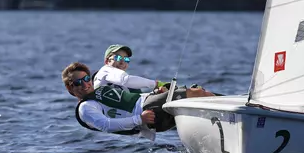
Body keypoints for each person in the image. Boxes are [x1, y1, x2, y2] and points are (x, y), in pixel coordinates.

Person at [62, 62, 215, 141]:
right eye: (77, 83)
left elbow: (129, 97)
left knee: (200, 94)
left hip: (150, 106)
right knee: (198, 93)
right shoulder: (86, 108)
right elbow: (106, 125)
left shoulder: (101, 91)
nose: (84, 84)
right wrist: (139, 119)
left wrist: (155, 91)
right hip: (148, 111)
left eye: (86, 79)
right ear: (70, 89)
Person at [93, 44, 166, 93]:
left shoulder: (125, 82)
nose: (122, 62)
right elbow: (125, 80)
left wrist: (155, 93)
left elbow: (138, 99)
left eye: (126, 59)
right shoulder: (106, 70)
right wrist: (156, 84)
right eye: (118, 58)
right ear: (107, 61)